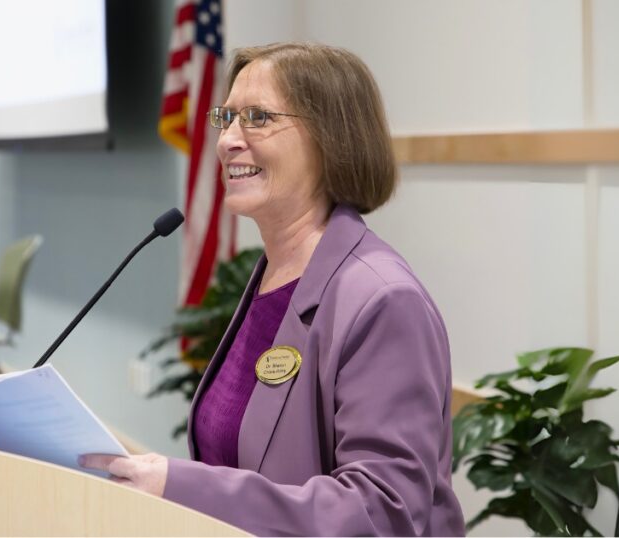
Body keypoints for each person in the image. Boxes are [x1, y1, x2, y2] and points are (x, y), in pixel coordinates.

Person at [80, 42, 466, 536]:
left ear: (332, 138)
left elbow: (382, 512)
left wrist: (182, 486)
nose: (227, 141)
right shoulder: (272, 275)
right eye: (228, 117)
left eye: (257, 117)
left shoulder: (385, 300)